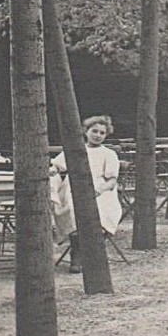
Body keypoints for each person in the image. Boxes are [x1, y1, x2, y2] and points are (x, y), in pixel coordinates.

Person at [50, 115, 124, 273]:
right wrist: (54, 170)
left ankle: (93, 253)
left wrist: (99, 190)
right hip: (74, 186)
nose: (97, 135)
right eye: (94, 131)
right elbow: (57, 166)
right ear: (86, 131)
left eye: (102, 133)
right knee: (71, 207)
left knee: (102, 209)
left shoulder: (109, 154)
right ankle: (76, 253)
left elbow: (111, 180)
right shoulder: (75, 149)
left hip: (100, 189)